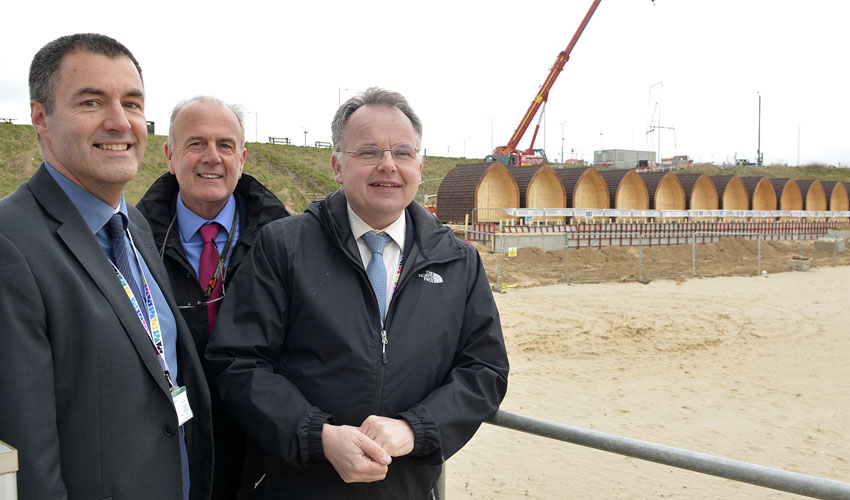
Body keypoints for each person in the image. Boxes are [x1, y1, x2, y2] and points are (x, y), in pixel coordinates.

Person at [206, 87, 509, 499]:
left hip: (404, 489)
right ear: (337, 165)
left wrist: (415, 429)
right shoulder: (283, 247)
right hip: (297, 487)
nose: (388, 165)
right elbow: (238, 362)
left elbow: (484, 370)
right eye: (368, 152)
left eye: (403, 152)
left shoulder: (458, 261)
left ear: (419, 165)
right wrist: (318, 436)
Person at [0, 34, 212, 500]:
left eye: (132, 103)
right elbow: (26, 455)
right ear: (40, 117)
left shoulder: (133, 223)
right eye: (91, 102)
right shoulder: (10, 244)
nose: (120, 122)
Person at [137, 96, 290, 499]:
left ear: (242, 159)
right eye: (196, 144)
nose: (212, 157)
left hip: (260, 447)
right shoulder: (131, 243)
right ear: (170, 156)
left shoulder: (286, 242)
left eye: (225, 145)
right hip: (170, 446)